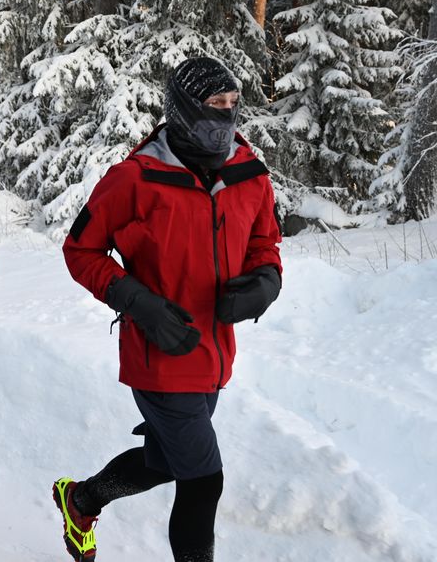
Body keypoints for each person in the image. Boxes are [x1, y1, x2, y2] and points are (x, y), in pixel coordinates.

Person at [54, 57, 283, 562]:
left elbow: (265, 244)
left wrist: (266, 283)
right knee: (204, 482)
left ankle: (82, 499)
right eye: (211, 105)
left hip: (213, 353)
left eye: (231, 105)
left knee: (165, 461)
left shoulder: (249, 172)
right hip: (158, 353)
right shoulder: (135, 178)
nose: (224, 116)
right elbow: (81, 251)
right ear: (180, 109)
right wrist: (134, 299)